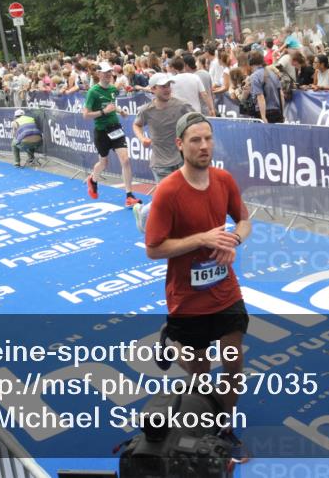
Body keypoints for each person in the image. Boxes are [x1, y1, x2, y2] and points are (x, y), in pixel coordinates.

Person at [145, 112, 252, 428]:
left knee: (233, 362)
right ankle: (175, 343)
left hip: (225, 290)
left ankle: (223, 426)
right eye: (195, 140)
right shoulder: (168, 191)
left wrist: (232, 239)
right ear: (180, 144)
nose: (204, 146)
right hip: (188, 297)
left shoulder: (224, 180)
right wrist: (201, 239)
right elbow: (153, 248)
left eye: (208, 139)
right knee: (200, 372)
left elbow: (245, 221)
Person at [132, 74, 192, 233]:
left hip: (181, 160)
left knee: (184, 195)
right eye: (163, 86)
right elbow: (136, 125)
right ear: (153, 89)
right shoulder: (146, 111)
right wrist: (141, 138)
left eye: (168, 85)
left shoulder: (181, 105)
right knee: (167, 198)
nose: (167, 89)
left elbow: (195, 121)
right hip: (160, 164)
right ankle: (143, 212)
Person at [83, 62, 140, 207]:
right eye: (105, 72)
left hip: (115, 128)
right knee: (104, 163)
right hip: (101, 131)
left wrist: (120, 111)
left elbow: (111, 105)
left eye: (110, 72)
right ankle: (93, 180)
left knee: (125, 160)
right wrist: (104, 112)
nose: (108, 75)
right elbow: (86, 115)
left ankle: (129, 196)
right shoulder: (93, 92)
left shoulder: (113, 89)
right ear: (99, 74)